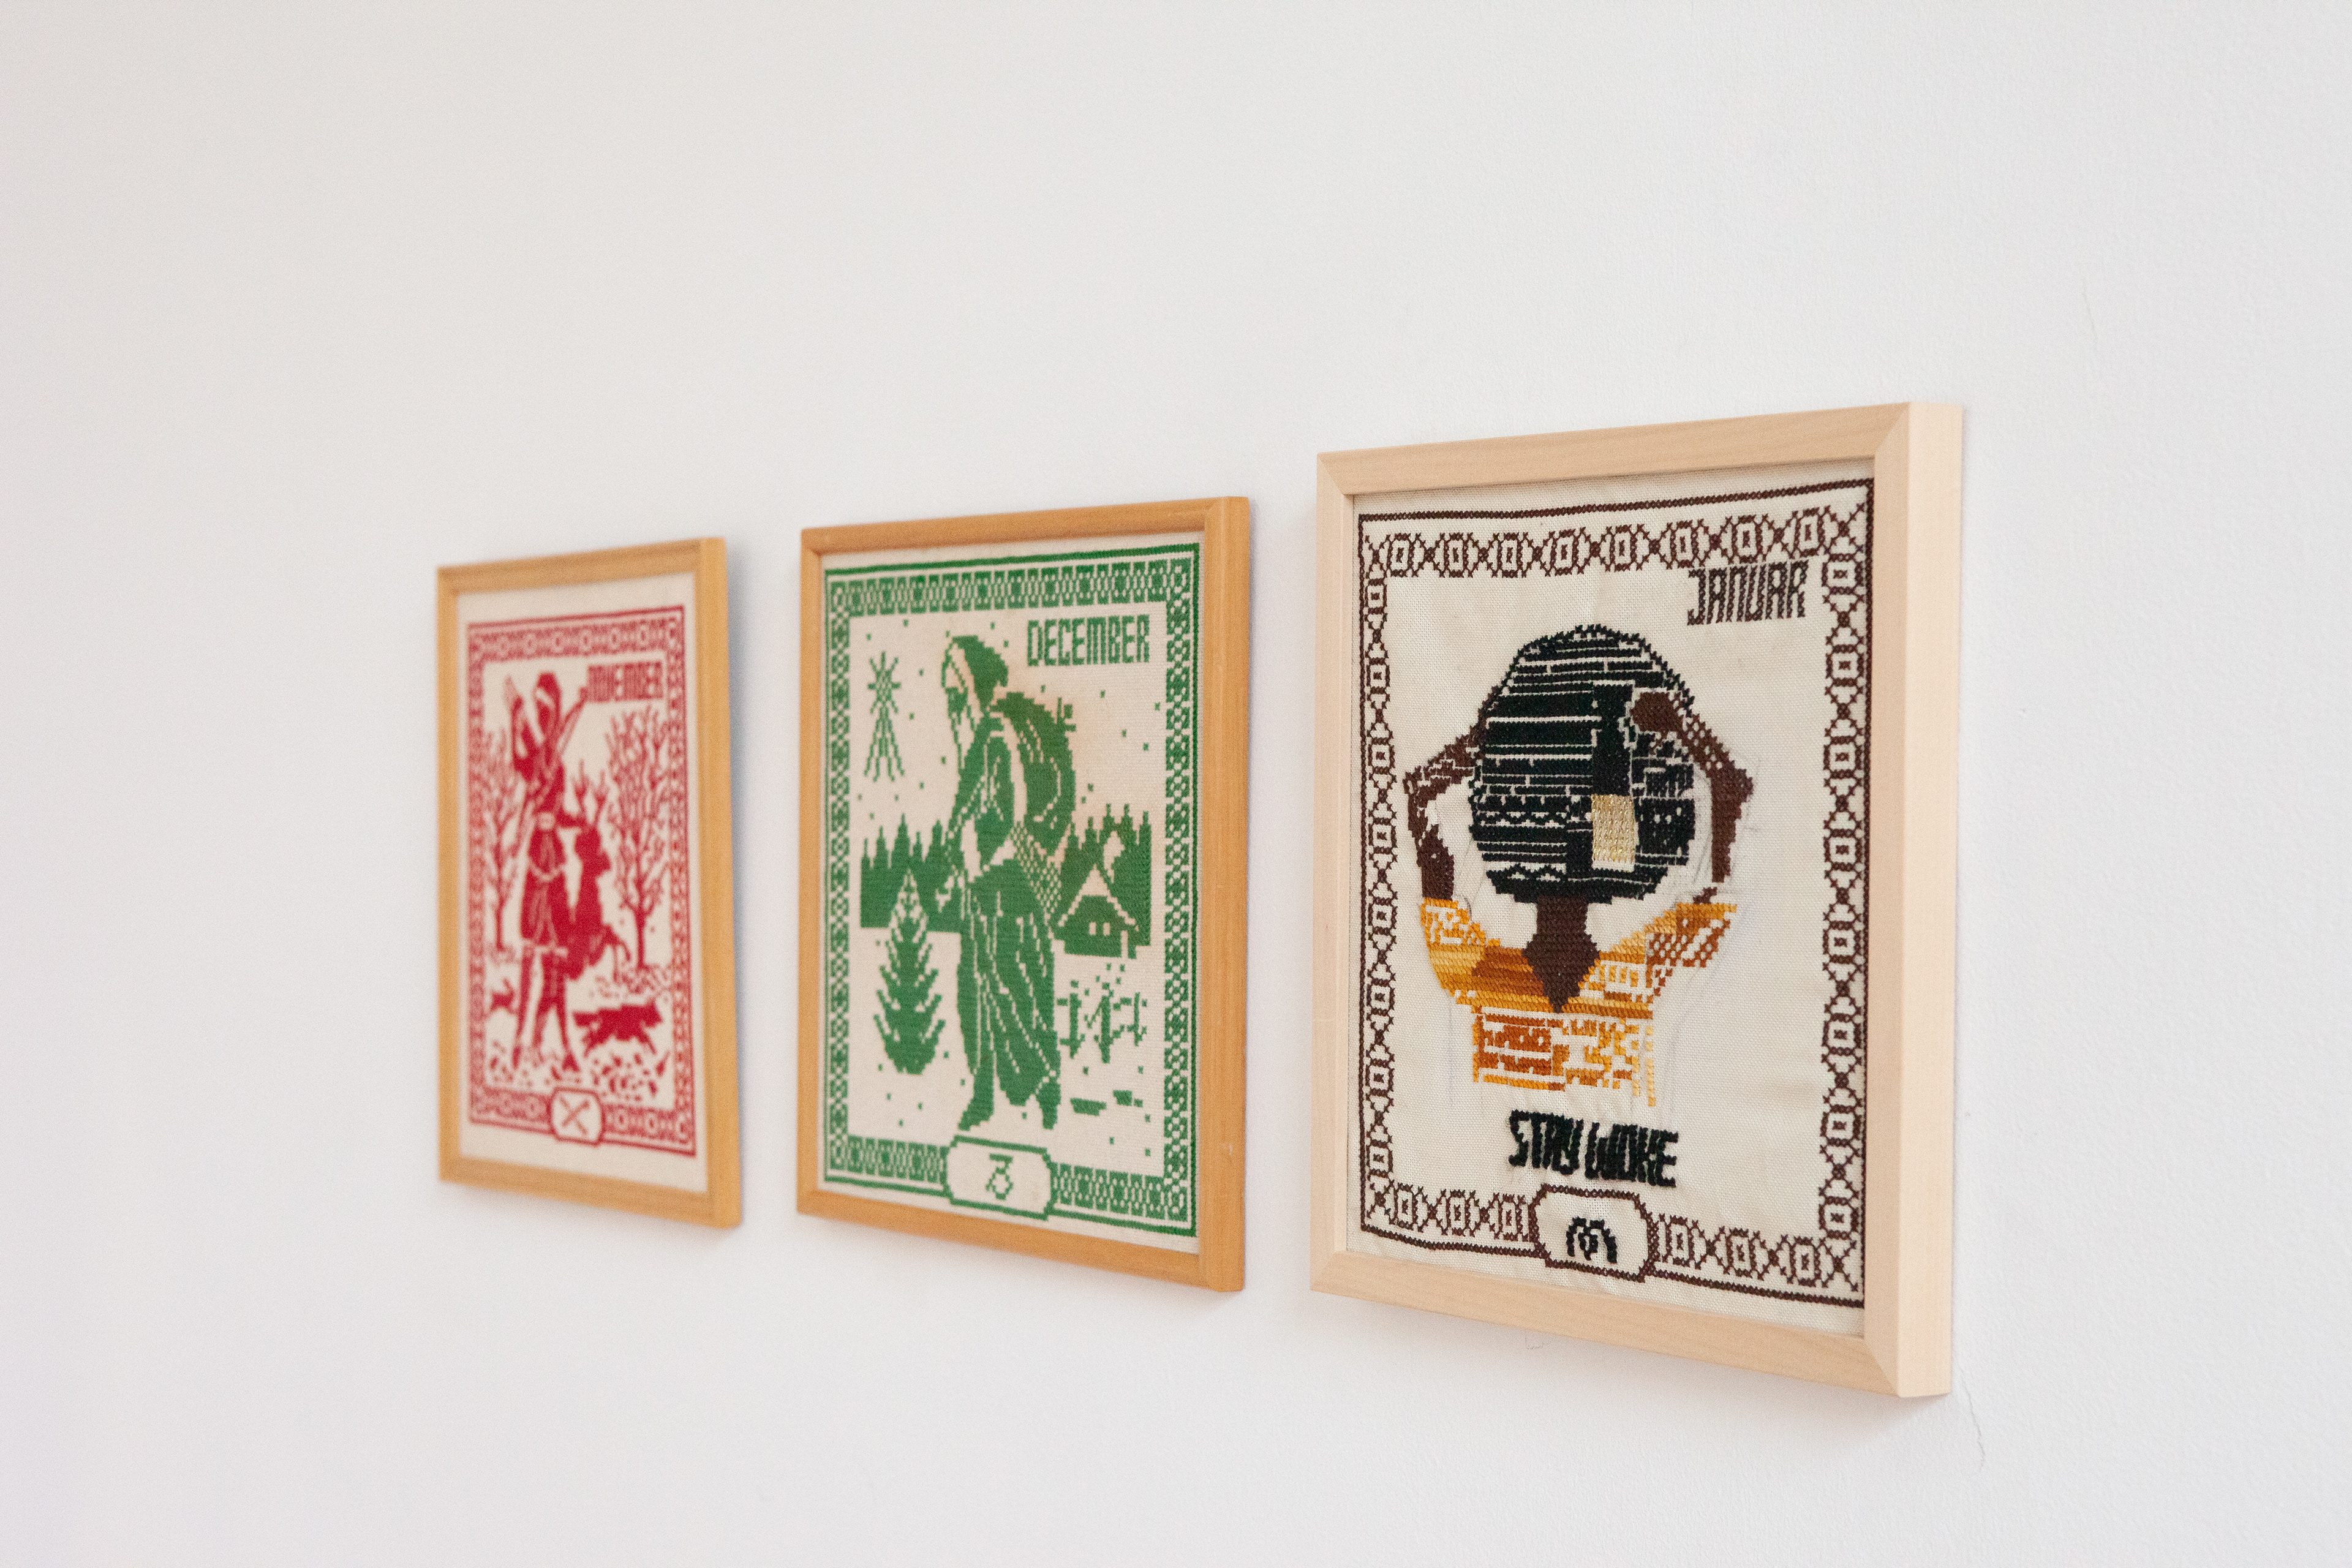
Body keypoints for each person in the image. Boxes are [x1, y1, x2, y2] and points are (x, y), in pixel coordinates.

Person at [1403, 628, 1751, 1104]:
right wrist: (1682, 728)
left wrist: (1483, 743)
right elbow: (1732, 790)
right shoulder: (1642, 977)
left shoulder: (1480, 976)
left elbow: (1420, 798)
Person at [938, 635, 1076, 1131]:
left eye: (955, 688)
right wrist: (958, 855)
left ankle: (1045, 1085)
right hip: (979, 883)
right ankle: (983, 1093)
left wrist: (986, 854)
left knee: (1014, 986)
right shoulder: (977, 736)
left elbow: (1013, 806)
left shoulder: (997, 731)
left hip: (1005, 881)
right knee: (974, 988)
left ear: (972, 684)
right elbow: (965, 807)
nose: (950, 700)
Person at [508, 671, 586, 1072]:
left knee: (556, 961)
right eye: (541, 710)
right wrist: (513, 720)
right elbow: (519, 760)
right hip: (537, 861)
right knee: (530, 957)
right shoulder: (535, 761)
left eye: (549, 710)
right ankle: (519, 1042)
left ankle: (555, 1043)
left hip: (554, 860)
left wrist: (576, 821)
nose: (546, 717)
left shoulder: (556, 762)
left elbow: (557, 811)